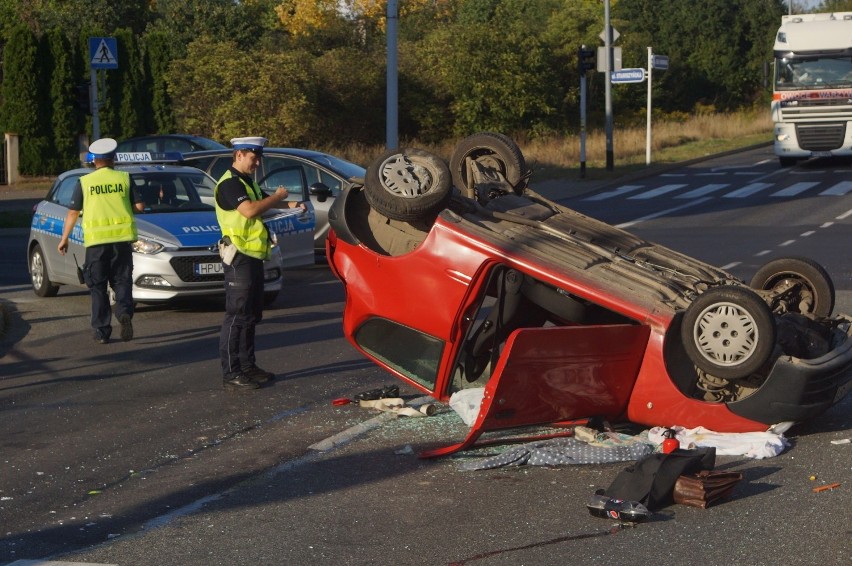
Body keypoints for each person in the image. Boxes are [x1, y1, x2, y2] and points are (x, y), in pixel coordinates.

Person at [214, 136, 306, 391]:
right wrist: (277, 196)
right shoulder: (231, 184)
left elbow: (264, 205)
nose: (257, 163)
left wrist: (295, 205)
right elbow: (251, 210)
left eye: (259, 158)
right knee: (237, 315)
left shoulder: (246, 183)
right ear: (239, 155)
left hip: (252, 255)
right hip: (238, 257)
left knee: (251, 314)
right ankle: (232, 371)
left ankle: (248, 365)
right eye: (254, 158)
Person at [58, 137, 145, 344]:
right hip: (122, 243)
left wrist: (64, 239)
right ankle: (124, 312)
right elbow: (139, 207)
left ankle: (102, 331)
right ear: (113, 159)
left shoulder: (85, 182)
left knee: (98, 287)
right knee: (122, 282)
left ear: (94, 161)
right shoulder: (124, 178)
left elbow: (72, 213)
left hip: (96, 245)